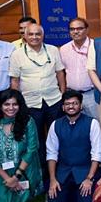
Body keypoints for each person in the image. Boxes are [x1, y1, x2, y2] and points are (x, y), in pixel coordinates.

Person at [9, 23, 66, 164]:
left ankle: (58, 163)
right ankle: (41, 167)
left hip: (53, 100)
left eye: (38, 34)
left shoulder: (52, 50)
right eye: (31, 34)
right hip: (30, 103)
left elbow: (60, 73)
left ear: (43, 35)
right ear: (25, 36)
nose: (34, 37)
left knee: (56, 134)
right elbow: (14, 80)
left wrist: (63, 94)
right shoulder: (17, 54)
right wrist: (17, 104)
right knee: (36, 136)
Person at [46, 90, 101, 202]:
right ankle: (67, 188)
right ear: (63, 107)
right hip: (63, 170)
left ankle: (81, 187)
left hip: (85, 170)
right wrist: (52, 180)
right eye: (67, 104)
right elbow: (51, 153)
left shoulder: (92, 123)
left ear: (81, 106)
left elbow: (97, 153)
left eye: (75, 103)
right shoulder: (55, 125)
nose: (71, 106)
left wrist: (89, 178)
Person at [59, 17, 98, 120]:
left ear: (87, 30)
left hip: (92, 95)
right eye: (72, 29)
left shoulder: (96, 46)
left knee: (95, 125)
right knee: (74, 126)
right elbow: (62, 72)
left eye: (79, 28)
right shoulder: (64, 49)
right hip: (71, 95)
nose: (75, 32)